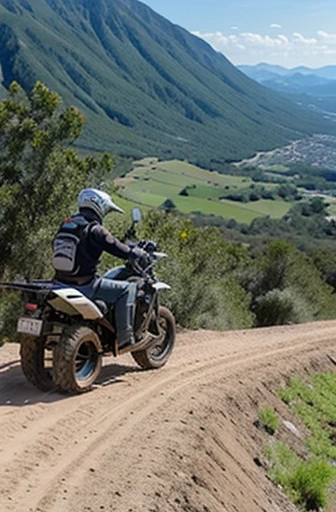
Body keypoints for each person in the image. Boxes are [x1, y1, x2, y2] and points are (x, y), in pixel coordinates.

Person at [52, 188, 147, 349]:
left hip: (59, 282)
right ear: (99, 206)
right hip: (85, 285)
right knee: (128, 289)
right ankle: (125, 338)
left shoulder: (67, 224)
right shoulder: (95, 229)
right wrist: (134, 252)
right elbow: (117, 248)